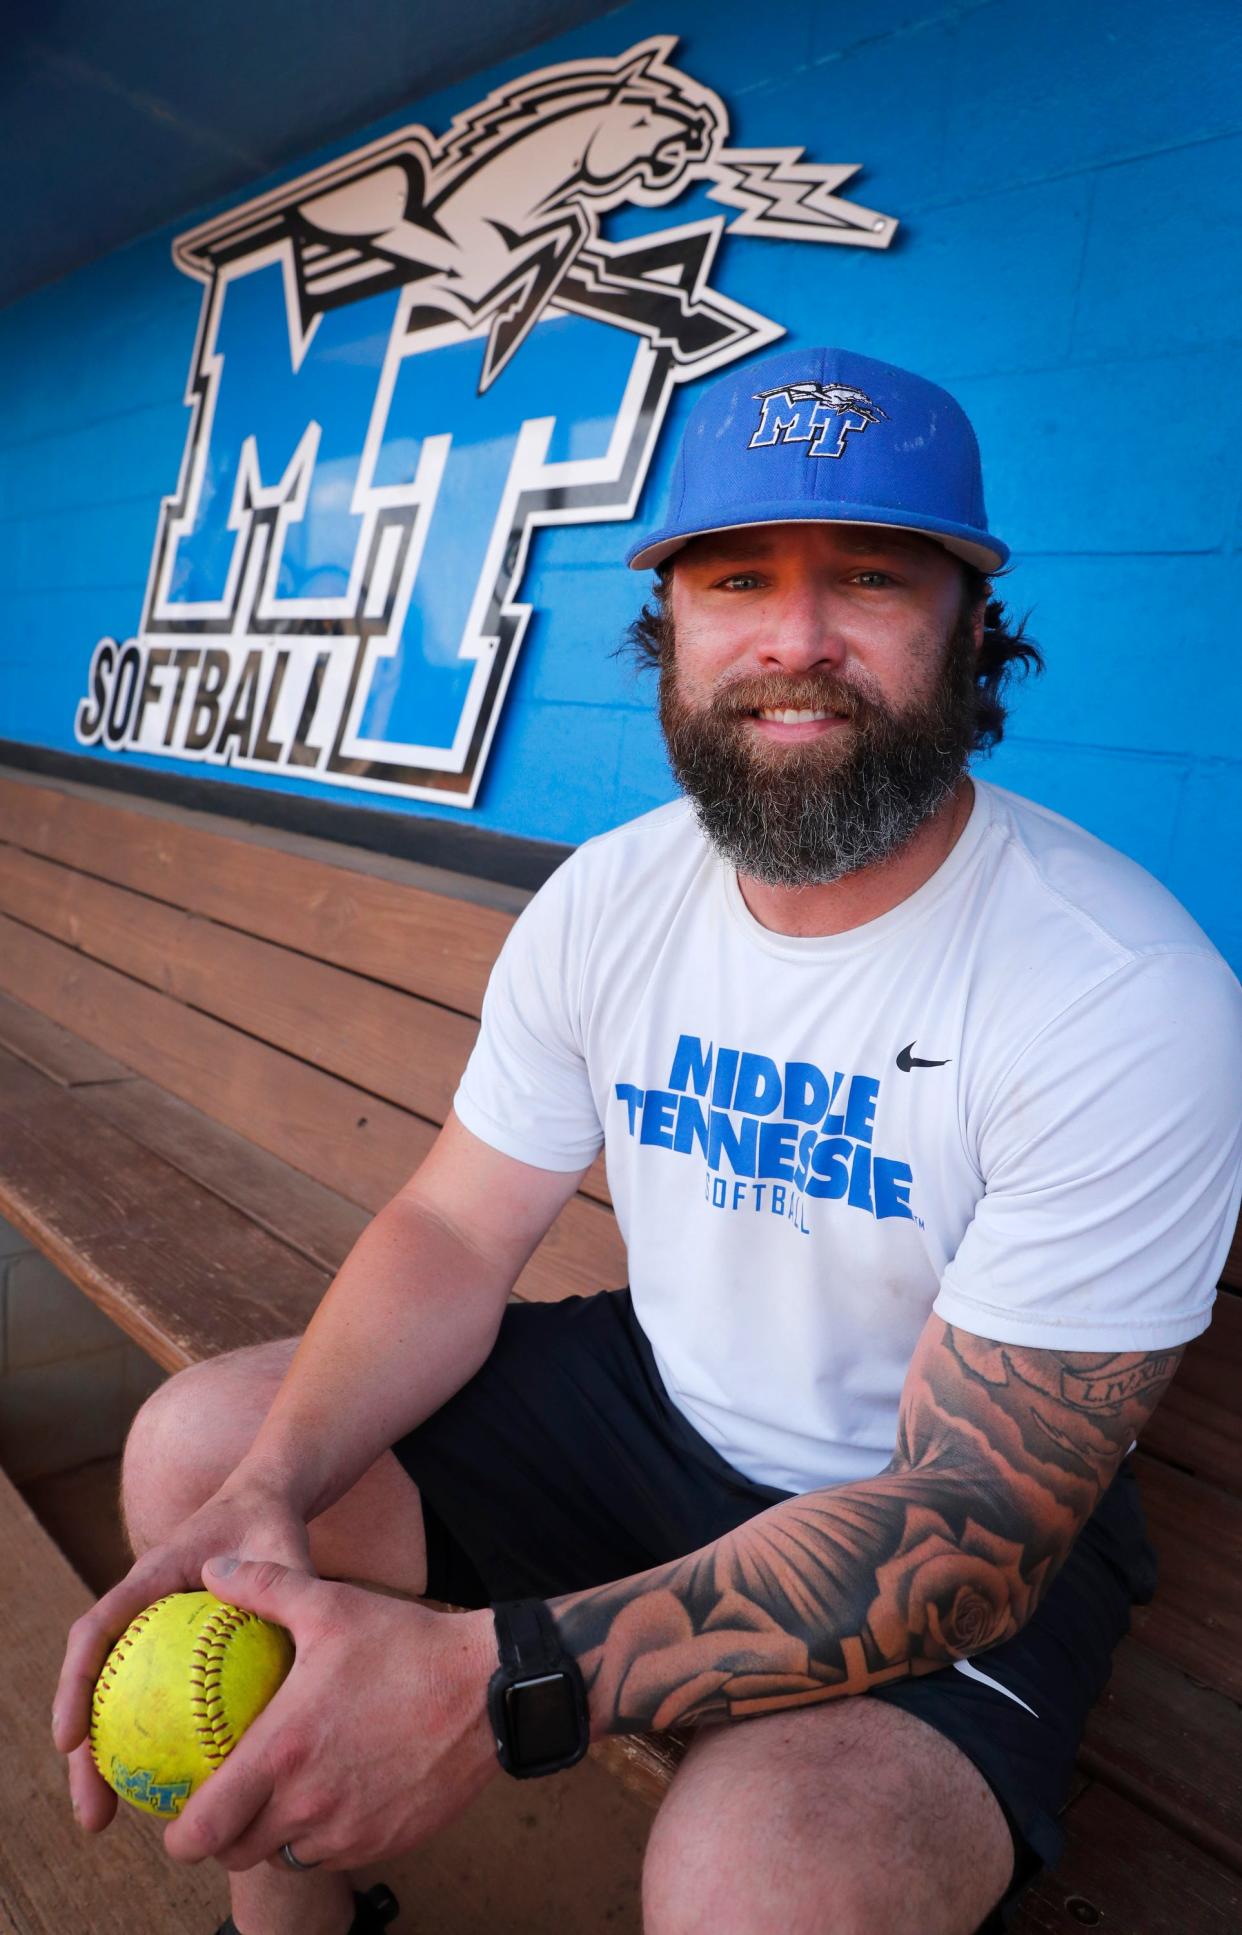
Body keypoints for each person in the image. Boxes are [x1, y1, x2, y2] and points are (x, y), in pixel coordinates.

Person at [53, 346, 1242, 1935]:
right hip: (651, 1410)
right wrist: (279, 1481)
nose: (796, 641)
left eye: (871, 579)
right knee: (208, 1454)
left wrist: (498, 1681)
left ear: (971, 631)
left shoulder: (1117, 987)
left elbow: (970, 1517)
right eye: (738, 576)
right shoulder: (612, 893)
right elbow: (455, 1231)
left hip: (934, 1508)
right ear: (668, 625)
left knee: (763, 1889)